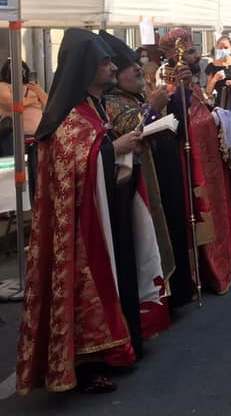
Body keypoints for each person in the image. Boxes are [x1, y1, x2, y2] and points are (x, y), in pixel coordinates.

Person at [17, 29, 156, 394]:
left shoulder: (94, 107)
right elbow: (73, 164)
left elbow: (97, 151)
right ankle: (88, 362)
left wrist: (121, 150)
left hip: (109, 208)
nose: (112, 66)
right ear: (87, 68)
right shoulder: (68, 117)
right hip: (80, 228)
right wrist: (115, 149)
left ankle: (118, 346)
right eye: (106, 62)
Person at [160, 29, 231, 293]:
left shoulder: (189, 81)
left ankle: (228, 257)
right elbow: (182, 120)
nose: (196, 55)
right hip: (193, 160)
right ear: (177, 54)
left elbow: (201, 107)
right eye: (191, 51)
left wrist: (216, 117)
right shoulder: (170, 83)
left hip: (209, 154)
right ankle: (204, 269)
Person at [100, 32, 175, 334]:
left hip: (150, 175)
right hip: (127, 187)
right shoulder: (111, 101)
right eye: (129, 66)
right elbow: (130, 130)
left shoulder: (134, 96)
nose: (136, 70)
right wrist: (153, 107)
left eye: (136, 64)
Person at [0, 59, 47, 156]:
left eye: (22, 70)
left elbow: (48, 104)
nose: (21, 73)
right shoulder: (3, 86)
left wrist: (38, 91)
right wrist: (33, 100)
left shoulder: (34, 87)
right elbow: (14, 104)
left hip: (38, 135)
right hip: (14, 137)